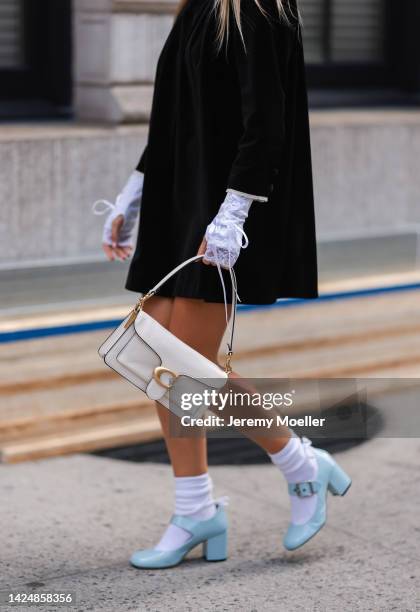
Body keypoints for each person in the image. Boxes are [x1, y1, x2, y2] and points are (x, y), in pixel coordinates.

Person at [93, 0, 351, 569]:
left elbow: (268, 125)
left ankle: (291, 470)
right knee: (164, 365)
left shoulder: (259, 11)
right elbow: (174, 119)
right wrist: (132, 197)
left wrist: (233, 213)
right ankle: (211, 503)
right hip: (181, 206)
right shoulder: (195, 10)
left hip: (224, 211)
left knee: (186, 369)